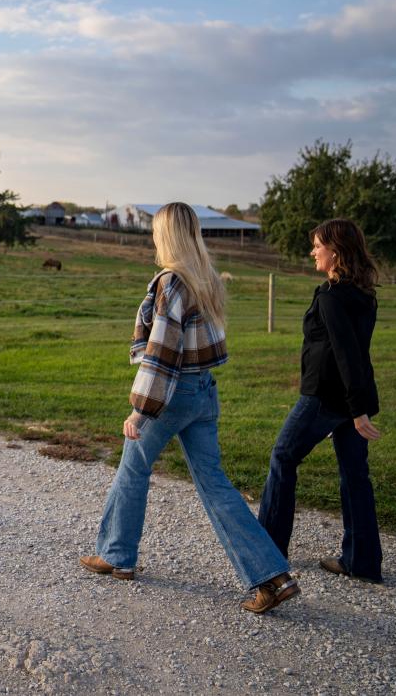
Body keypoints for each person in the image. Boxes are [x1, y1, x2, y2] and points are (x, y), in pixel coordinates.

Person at [80, 202, 299, 614]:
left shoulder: (172, 282)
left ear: (166, 235)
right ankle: (273, 576)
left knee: (133, 466)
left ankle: (116, 555)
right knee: (215, 484)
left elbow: (162, 354)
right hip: (204, 392)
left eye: (154, 231)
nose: (151, 237)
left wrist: (139, 410)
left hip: (174, 394)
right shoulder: (206, 279)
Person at [257, 219, 383, 583]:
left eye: (317, 246)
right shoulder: (363, 293)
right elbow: (356, 355)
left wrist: (356, 411)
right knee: (355, 475)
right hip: (351, 397)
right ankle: (361, 562)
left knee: (283, 456)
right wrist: (358, 405)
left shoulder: (330, 295)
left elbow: (345, 352)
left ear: (336, 252)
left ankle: (267, 553)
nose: (313, 251)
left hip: (325, 397)